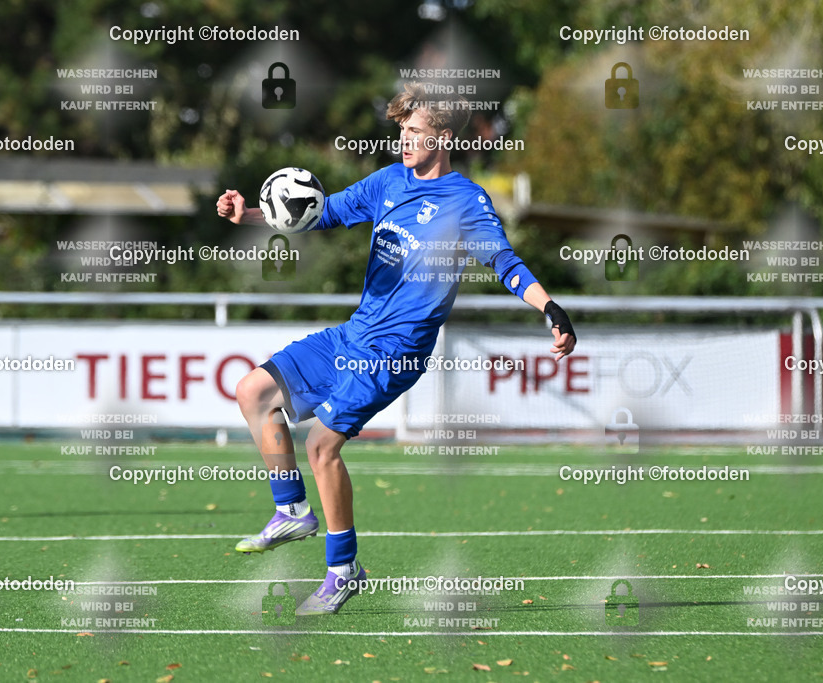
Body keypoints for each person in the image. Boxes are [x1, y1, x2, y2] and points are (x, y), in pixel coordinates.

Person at [216, 82, 576, 615]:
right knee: (253, 391)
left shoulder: (465, 201)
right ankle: (291, 511)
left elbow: (504, 262)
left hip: (396, 350)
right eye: (401, 130)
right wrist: (248, 214)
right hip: (354, 335)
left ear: (443, 137)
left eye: (415, 132)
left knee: (320, 446)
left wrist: (550, 307)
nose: (404, 140)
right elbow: (321, 211)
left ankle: (342, 572)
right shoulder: (388, 181)